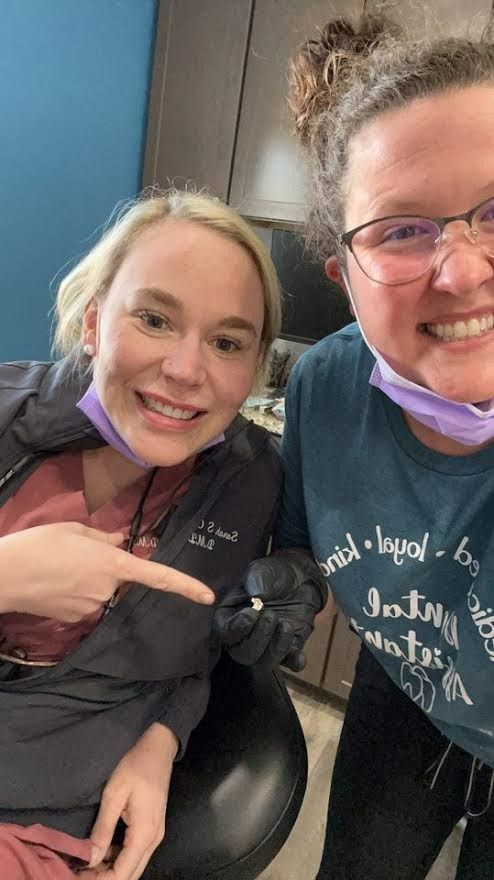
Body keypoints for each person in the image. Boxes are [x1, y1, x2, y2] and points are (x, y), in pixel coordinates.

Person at [217, 11, 494, 880]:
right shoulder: (326, 388)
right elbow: (305, 548)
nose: (461, 270)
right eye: (401, 229)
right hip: (408, 693)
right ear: (344, 277)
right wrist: (286, 593)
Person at [0, 189, 283, 879]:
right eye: (154, 319)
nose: (185, 371)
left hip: (50, 809)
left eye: (226, 342)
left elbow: (198, 647)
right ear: (95, 321)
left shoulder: (248, 479)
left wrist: (162, 737)